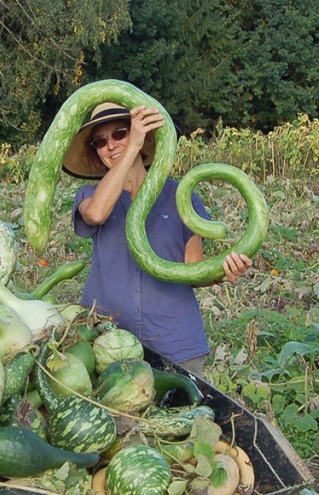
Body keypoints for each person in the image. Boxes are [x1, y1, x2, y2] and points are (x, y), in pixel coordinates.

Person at [62, 101, 252, 377]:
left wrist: (224, 271)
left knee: (185, 418)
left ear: (142, 134)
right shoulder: (90, 195)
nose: (111, 145)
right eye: (100, 142)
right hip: (106, 344)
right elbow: (97, 214)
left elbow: (193, 267)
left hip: (175, 343)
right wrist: (130, 149)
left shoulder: (180, 195)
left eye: (119, 134)